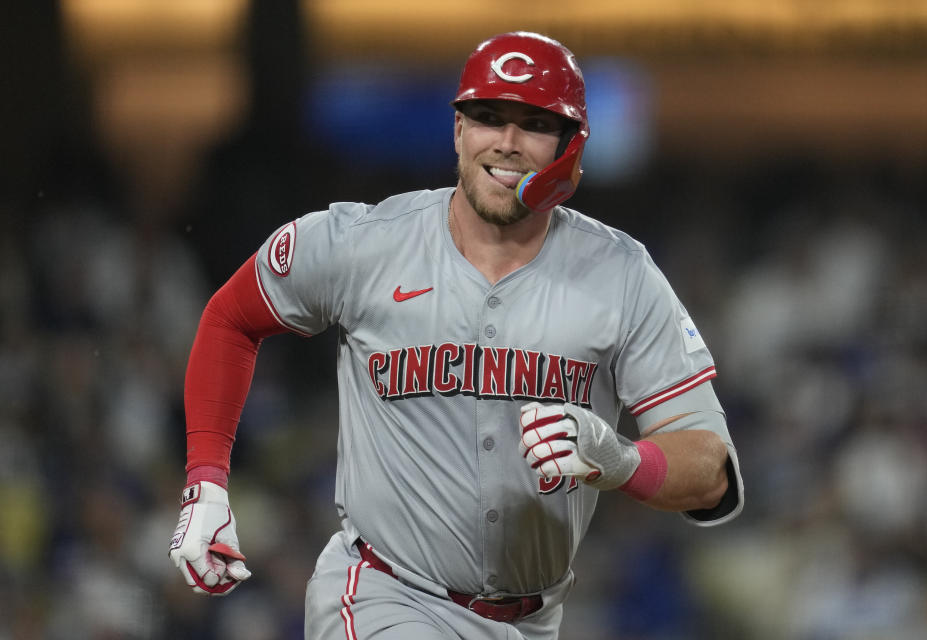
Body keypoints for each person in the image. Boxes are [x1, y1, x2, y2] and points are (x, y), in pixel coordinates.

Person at [168, 31, 744, 640]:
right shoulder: (367, 243)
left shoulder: (622, 274)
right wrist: (205, 481)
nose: (507, 142)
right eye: (487, 117)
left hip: (535, 619)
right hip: (385, 595)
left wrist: (622, 460)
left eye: (535, 124)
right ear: (458, 131)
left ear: (572, 148)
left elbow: (712, 470)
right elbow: (231, 318)